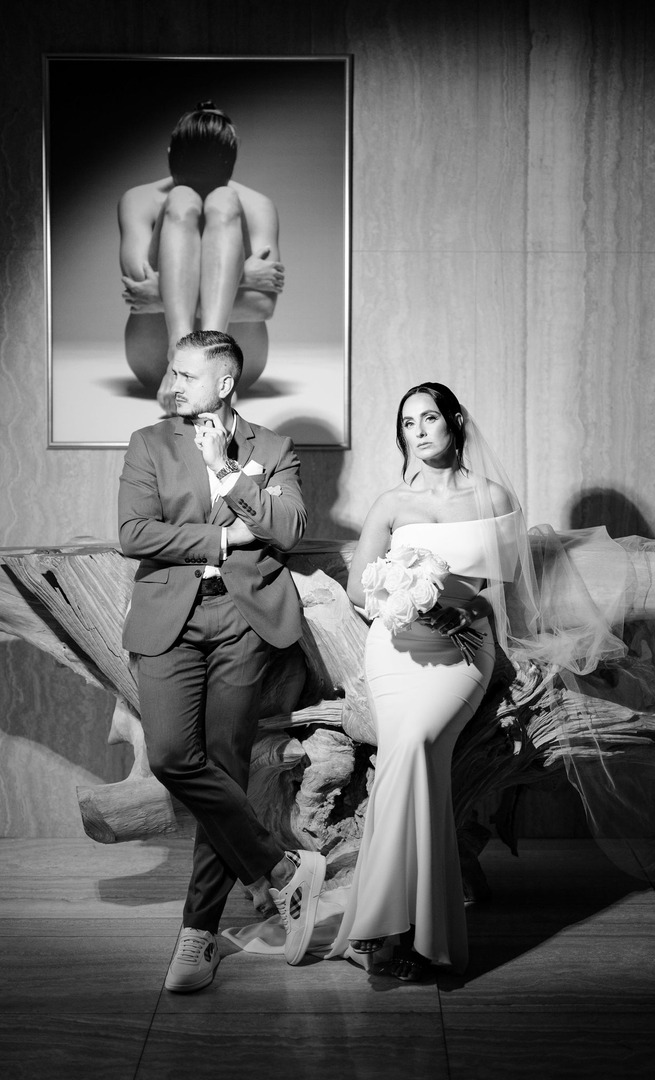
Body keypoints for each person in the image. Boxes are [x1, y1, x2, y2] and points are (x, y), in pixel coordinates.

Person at [118, 329, 325, 992]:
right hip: (170, 618)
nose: (173, 383)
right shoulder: (149, 443)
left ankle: (198, 934)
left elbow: (289, 529)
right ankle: (281, 866)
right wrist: (225, 534)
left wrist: (232, 473)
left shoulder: (272, 448)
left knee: (227, 766)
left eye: (187, 374)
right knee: (172, 757)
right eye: (172, 371)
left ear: (226, 382)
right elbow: (134, 532)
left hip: (244, 621)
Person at [326, 381, 542, 980]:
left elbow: (503, 590)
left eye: (428, 418)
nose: (418, 431)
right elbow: (357, 588)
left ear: (454, 422)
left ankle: (390, 927)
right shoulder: (391, 504)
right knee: (407, 748)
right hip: (396, 647)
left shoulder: (493, 497)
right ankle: (408, 932)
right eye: (407, 423)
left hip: (464, 646)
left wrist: (461, 607)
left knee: (418, 744)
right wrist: (408, 600)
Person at [118, 102, 284, 414]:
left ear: (170, 153)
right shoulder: (138, 201)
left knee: (224, 200)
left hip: (235, 367)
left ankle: (207, 352)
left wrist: (168, 291)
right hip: (155, 361)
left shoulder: (257, 205)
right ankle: (178, 354)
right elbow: (140, 294)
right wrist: (242, 276)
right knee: (181, 199)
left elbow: (263, 306)